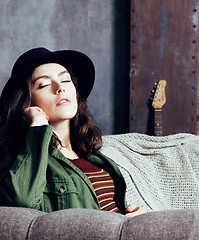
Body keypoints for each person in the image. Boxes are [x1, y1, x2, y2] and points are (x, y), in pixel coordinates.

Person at [0, 47, 146, 218]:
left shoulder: (93, 155)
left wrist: (133, 217)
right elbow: (21, 205)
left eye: (66, 80)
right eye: (44, 84)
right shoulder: (13, 151)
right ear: (26, 101)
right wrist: (38, 126)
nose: (59, 88)